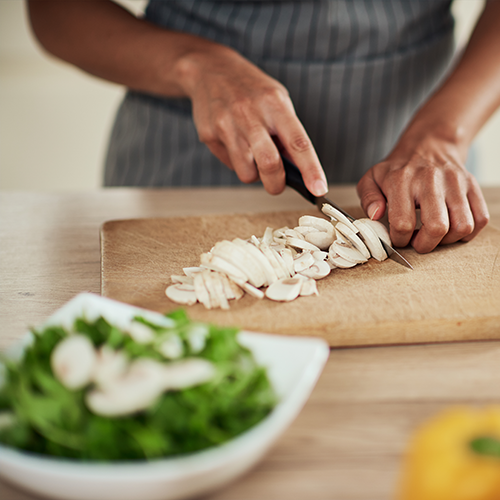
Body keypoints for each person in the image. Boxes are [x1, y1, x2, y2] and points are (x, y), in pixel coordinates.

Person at [28, 0, 498, 254]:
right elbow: (52, 11)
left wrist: (442, 136)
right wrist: (197, 65)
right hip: (182, 150)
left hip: (424, 138)